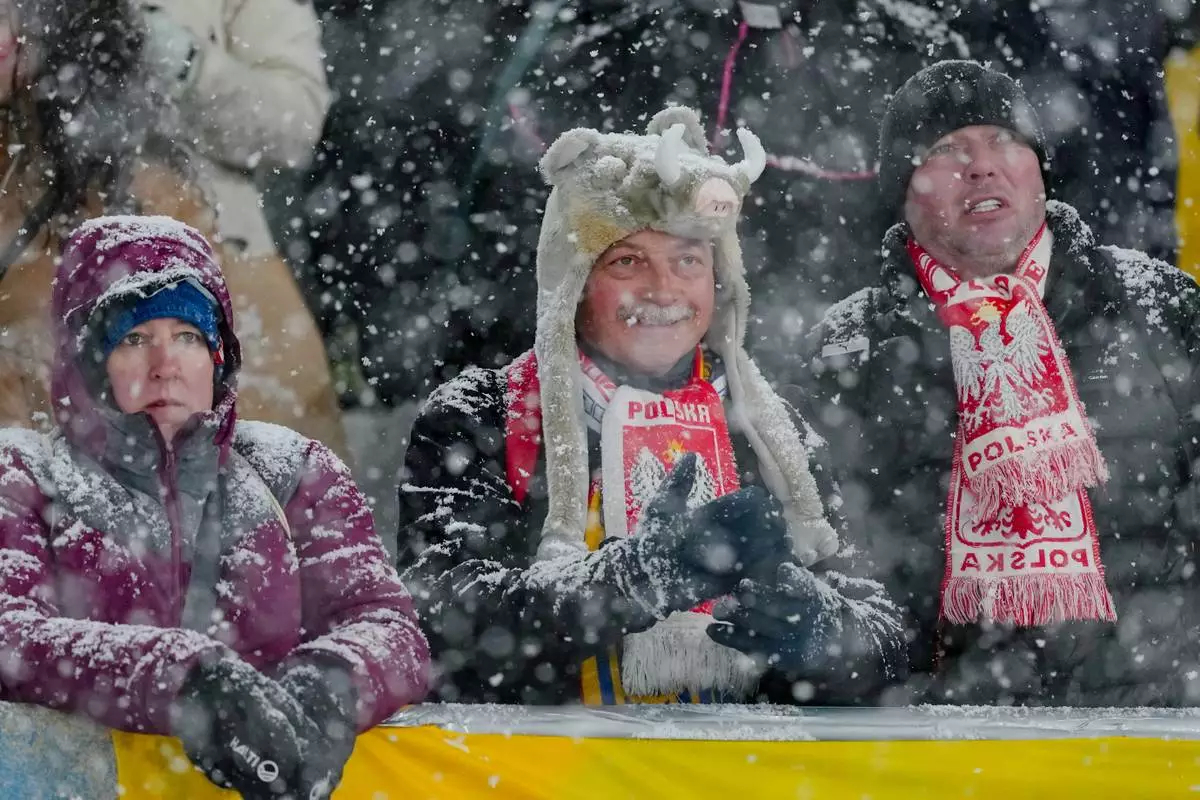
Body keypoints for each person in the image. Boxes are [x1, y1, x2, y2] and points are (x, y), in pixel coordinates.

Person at [397, 106, 904, 705]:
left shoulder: (770, 430)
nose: (663, 291)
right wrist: (633, 580)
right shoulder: (483, 414)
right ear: (576, 283)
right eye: (628, 261)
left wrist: (820, 632)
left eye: (688, 261)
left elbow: (887, 637)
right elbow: (435, 619)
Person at [804, 60, 1200, 706]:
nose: (982, 165)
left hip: (1147, 736)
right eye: (946, 149)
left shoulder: (1160, 308)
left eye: (1004, 141)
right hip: (939, 747)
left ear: (1039, 169)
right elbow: (842, 581)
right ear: (903, 193)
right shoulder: (846, 349)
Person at [0, 215, 429, 797]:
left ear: (219, 354)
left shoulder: (293, 471)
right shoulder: (23, 474)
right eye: (133, 338)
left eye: (188, 336)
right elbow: (10, 634)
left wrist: (328, 686)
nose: (165, 363)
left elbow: (389, 626)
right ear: (85, 361)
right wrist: (179, 678)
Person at [0, 0, 346, 457]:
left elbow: (293, 123)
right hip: (36, 250)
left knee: (256, 486)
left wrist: (182, 62)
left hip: (217, 267)